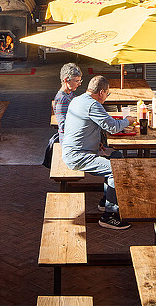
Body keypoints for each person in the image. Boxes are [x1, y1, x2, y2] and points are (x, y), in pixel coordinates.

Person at [61, 75, 136, 230]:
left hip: (76, 150)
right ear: (101, 92)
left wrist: (97, 141)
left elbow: (84, 127)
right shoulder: (93, 105)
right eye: (107, 94)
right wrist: (128, 121)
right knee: (115, 170)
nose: (106, 97)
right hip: (78, 156)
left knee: (117, 156)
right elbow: (112, 127)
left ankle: (106, 200)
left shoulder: (78, 99)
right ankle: (110, 216)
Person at [53, 62, 83, 140]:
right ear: (66, 80)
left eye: (80, 81)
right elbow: (63, 126)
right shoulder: (62, 100)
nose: (79, 84)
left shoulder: (70, 94)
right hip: (69, 141)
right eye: (76, 81)